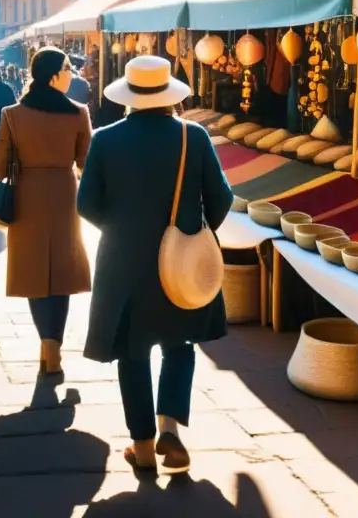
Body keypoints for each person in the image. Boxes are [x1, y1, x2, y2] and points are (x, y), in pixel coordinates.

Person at [77, 55, 233, 475]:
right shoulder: (193, 137)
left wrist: (122, 230)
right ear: (169, 95)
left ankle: (143, 448)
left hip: (122, 264)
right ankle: (171, 429)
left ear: (127, 96)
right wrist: (192, 232)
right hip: (179, 265)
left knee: (133, 353)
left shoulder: (105, 139)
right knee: (180, 345)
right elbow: (221, 199)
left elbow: (85, 204)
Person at [0, 48, 92, 377]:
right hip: (64, 195)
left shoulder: (11, 114)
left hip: (27, 196)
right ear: (54, 75)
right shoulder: (79, 113)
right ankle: (55, 345)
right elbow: (85, 164)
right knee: (61, 274)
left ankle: (46, 343)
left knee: (34, 273)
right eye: (67, 69)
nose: (72, 74)